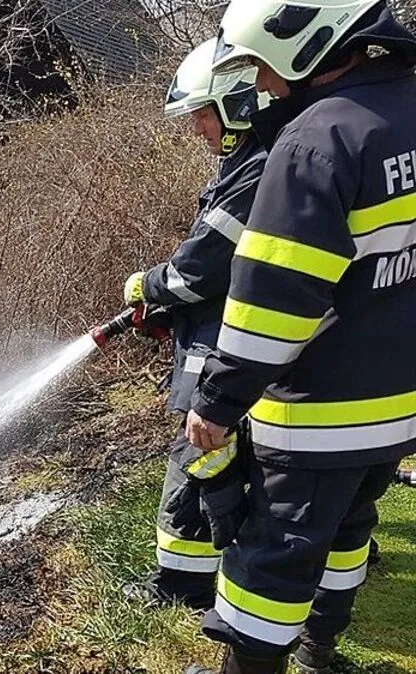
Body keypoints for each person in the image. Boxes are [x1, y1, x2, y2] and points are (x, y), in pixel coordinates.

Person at [183, 2, 416, 673]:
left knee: (273, 556)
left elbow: (276, 300)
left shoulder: (319, 140)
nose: (259, 85)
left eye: (259, 65)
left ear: (306, 43)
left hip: (322, 411)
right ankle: (323, 651)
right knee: (348, 533)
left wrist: (219, 400)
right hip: (397, 406)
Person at [120, 38, 267, 611]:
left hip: (219, 347)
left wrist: (147, 286)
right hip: (226, 338)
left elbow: (200, 271)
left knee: (196, 456)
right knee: (220, 458)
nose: (198, 128)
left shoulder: (255, 169)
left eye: (203, 114)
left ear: (236, 105)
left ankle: (184, 586)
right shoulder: (251, 162)